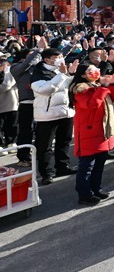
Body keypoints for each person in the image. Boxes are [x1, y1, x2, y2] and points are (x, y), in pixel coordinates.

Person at [71, 65, 114, 205]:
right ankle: (84, 195)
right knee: (87, 166)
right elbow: (91, 104)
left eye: (96, 70)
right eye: (90, 71)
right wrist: (103, 88)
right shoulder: (80, 89)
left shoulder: (99, 86)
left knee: (99, 164)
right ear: (83, 75)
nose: (95, 72)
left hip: (102, 130)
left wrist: (113, 83)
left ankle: (96, 188)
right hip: (89, 131)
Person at [31, 47, 79, 185]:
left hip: (65, 112)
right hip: (47, 115)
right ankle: (46, 173)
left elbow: (67, 87)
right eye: (56, 58)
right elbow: (46, 90)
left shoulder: (60, 70)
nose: (60, 60)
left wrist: (71, 74)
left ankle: (62, 166)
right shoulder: (38, 72)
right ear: (47, 60)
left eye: (61, 57)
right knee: (45, 146)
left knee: (64, 142)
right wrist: (63, 74)